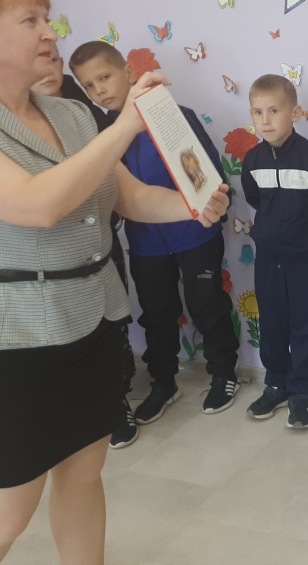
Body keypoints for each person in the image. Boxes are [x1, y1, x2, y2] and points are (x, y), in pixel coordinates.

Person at [0, 0, 229, 564]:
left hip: (94, 321)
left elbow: (130, 197)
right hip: (14, 339)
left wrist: (195, 205)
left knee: (84, 470)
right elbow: (39, 206)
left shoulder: (69, 115)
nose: (50, 32)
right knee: (8, 508)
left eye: (48, 18)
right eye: (30, 20)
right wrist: (125, 127)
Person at [69, 41, 241, 423]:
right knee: (157, 313)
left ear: (129, 73)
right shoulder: (105, 136)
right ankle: (164, 383)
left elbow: (210, 175)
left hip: (196, 235)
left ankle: (224, 374)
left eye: (104, 77)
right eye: (88, 86)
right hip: (146, 243)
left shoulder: (175, 116)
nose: (99, 91)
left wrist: (214, 207)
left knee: (207, 306)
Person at [30, 44, 139, 449]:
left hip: (100, 244)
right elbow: (40, 205)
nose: (47, 70)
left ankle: (116, 400)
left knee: (111, 324)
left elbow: (126, 191)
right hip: (44, 264)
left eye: (53, 59)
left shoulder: (85, 112)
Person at [241, 74, 308, 429]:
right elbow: (255, 199)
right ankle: (276, 385)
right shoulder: (252, 159)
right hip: (268, 259)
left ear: (295, 113)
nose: (266, 120)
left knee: (305, 327)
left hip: (307, 260)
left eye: (274, 111)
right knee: (272, 324)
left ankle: (301, 393)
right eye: (258, 112)